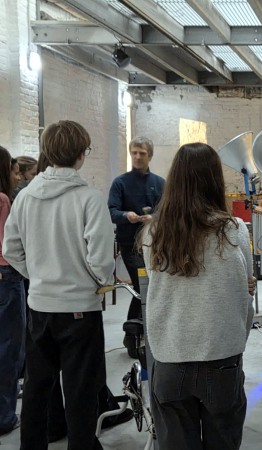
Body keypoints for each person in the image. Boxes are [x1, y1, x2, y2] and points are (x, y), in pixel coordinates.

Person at [3, 120, 115, 449]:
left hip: (40, 307)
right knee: (81, 392)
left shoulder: (25, 197)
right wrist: (95, 281)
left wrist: (38, 275)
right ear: (81, 155)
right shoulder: (89, 199)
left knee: (36, 389)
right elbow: (101, 260)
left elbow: (10, 249)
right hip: (80, 309)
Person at [140, 142, 255, 450]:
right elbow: (246, 292)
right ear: (215, 180)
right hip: (222, 357)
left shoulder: (153, 233)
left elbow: (159, 284)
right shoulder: (234, 230)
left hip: (170, 357)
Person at [108, 136, 164, 357]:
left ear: (150, 155)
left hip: (154, 244)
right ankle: (132, 335)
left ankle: (142, 334)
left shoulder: (160, 183)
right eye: (134, 153)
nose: (138, 157)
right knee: (143, 287)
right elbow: (112, 211)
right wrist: (126, 215)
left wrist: (154, 218)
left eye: (142, 153)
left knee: (149, 287)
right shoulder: (120, 183)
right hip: (130, 244)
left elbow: (167, 211)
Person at [0, 148, 25, 437]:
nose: (16, 177)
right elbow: (9, 246)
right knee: (9, 349)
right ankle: (4, 416)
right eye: (13, 170)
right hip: (6, 275)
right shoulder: (3, 199)